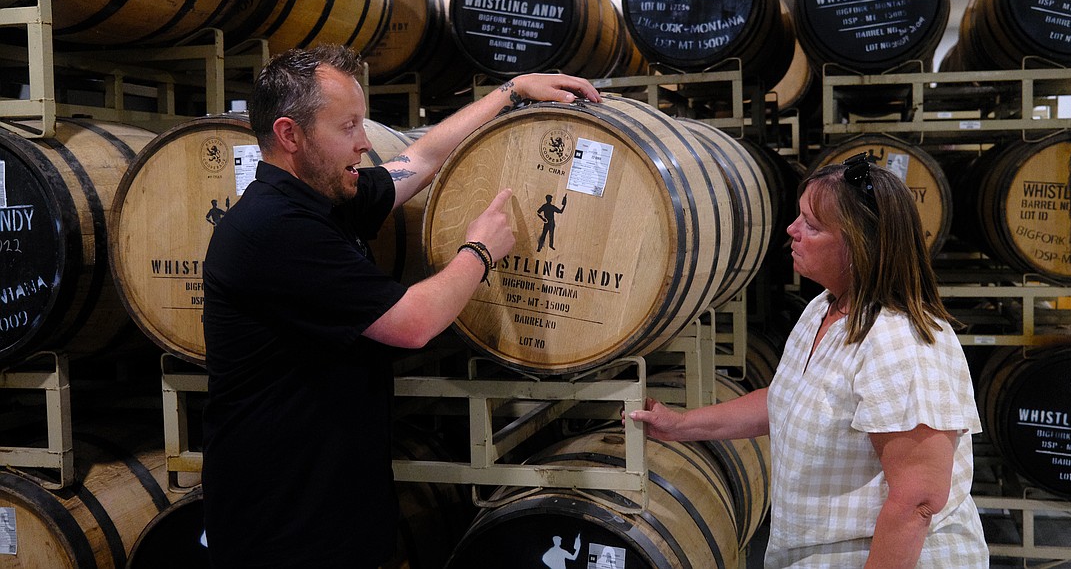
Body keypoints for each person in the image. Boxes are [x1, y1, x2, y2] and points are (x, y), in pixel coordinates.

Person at [201, 43, 600, 568]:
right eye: (347, 127)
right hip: (283, 526)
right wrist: (479, 250)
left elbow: (422, 159)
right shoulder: (274, 230)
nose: (364, 145)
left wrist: (512, 90)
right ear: (289, 135)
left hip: (330, 504)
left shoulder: (321, 199)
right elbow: (413, 324)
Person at [629, 153, 988, 567]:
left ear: (860, 245)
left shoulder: (901, 344)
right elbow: (789, 398)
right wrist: (682, 425)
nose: (792, 231)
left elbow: (916, 502)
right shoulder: (824, 308)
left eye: (812, 226)